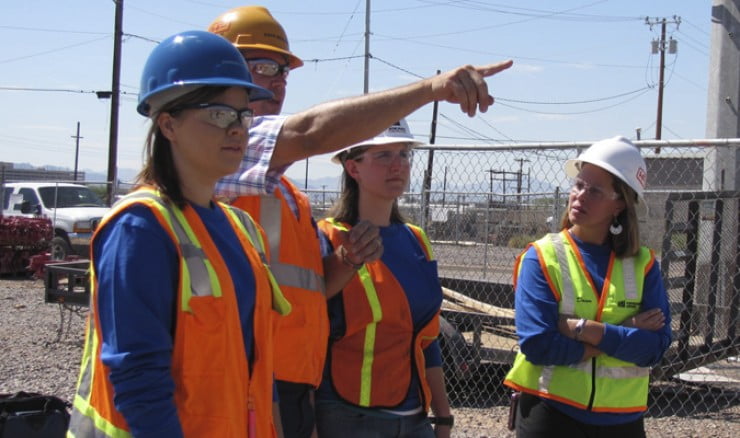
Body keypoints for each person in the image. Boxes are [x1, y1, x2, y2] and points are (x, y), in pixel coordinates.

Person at [67, 30, 291, 437]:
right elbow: (138, 378)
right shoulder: (140, 227)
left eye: (244, 115)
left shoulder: (241, 228)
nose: (238, 128)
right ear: (168, 124)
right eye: (220, 114)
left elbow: (253, 359)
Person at [208, 8, 382, 437]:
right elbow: (311, 132)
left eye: (283, 70)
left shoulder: (290, 195)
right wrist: (431, 90)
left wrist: (347, 260)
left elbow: (312, 286)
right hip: (248, 374)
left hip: (295, 376)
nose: (279, 79)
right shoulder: (222, 156)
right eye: (264, 67)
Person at [503, 136, 672, 438]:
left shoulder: (643, 264)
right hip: (551, 415)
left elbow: (654, 349)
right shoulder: (541, 256)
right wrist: (626, 329)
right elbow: (538, 344)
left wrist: (585, 329)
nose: (580, 196)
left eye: (594, 191)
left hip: (624, 422)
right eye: (579, 185)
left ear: (619, 204)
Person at [314, 119, 453, 438]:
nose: (398, 165)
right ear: (353, 168)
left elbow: (426, 338)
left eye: (404, 154)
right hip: (347, 417)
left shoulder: (417, 240)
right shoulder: (328, 238)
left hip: (416, 418)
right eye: (383, 156)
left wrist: (443, 416)